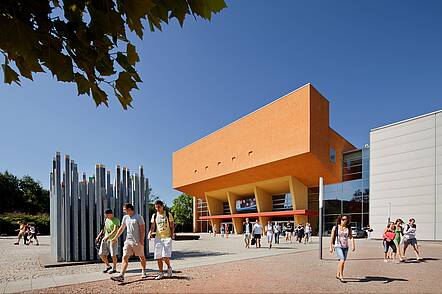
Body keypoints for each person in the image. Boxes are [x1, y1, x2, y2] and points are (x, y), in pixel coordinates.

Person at [110, 203, 146, 283]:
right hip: (128, 241)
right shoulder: (125, 217)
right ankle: (121, 275)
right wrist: (116, 237)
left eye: (124, 209)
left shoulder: (138, 217)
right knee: (125, 257)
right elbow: (122, 228)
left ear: (129, 209)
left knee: (141, 257)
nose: (123, 211)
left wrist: (142, 240)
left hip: (137, 241)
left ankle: (143, 270)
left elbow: (142, 229)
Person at [149, 200, 175, 280]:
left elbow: (172, 226)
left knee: (165, 256)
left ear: (162, 206)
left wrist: (171, 235)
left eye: (158, 207)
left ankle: (169, 267)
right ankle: (161, 273)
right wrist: (150, 233)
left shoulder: (167, 214)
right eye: (156, 207)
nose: (157, 209)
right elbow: (153, 226)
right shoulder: (154, 215)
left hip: (166, 237)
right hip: (158, 238)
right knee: (158, 256)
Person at [330, 215, 355, 283]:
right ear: (340, 220)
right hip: (338, 246)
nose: (344, 220)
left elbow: (351, 237)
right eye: (342, 219)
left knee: (341, 261)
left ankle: (337, 274)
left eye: (345, 219)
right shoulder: (335, 227)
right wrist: (331, 247)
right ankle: (341, 276)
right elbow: (332, 237)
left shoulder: (348, 228)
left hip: (346, 247)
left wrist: (353, 245)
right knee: (342, 260)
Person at [96, 209, 120, 274]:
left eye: (107, 215)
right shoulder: (106, 220)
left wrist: (108, 237)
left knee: (113, 255)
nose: (106, 216)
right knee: (101, 254)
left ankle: (114, 268)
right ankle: (108, 266)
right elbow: (104, 229)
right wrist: (98, 236)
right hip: (105, 239)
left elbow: (115, 230)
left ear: (111, 214)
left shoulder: (116, 220)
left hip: (113, 240)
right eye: (105, 215)